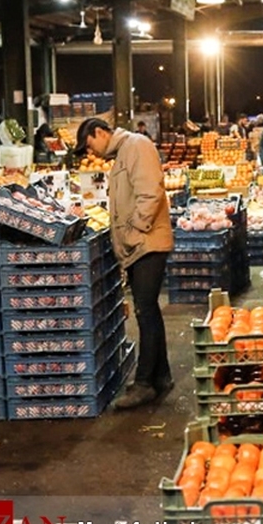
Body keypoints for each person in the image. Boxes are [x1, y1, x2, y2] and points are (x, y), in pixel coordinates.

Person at [75, 117, 175, 409]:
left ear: (100, 132)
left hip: (147, 244)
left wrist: (133, 232)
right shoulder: (123, 153)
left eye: (90, 144)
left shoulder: (136, 146)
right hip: (141, 244)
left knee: (145, 312)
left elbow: (150, 192)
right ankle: (161, 376)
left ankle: (144, 383)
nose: (90, 152)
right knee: (149, 311)